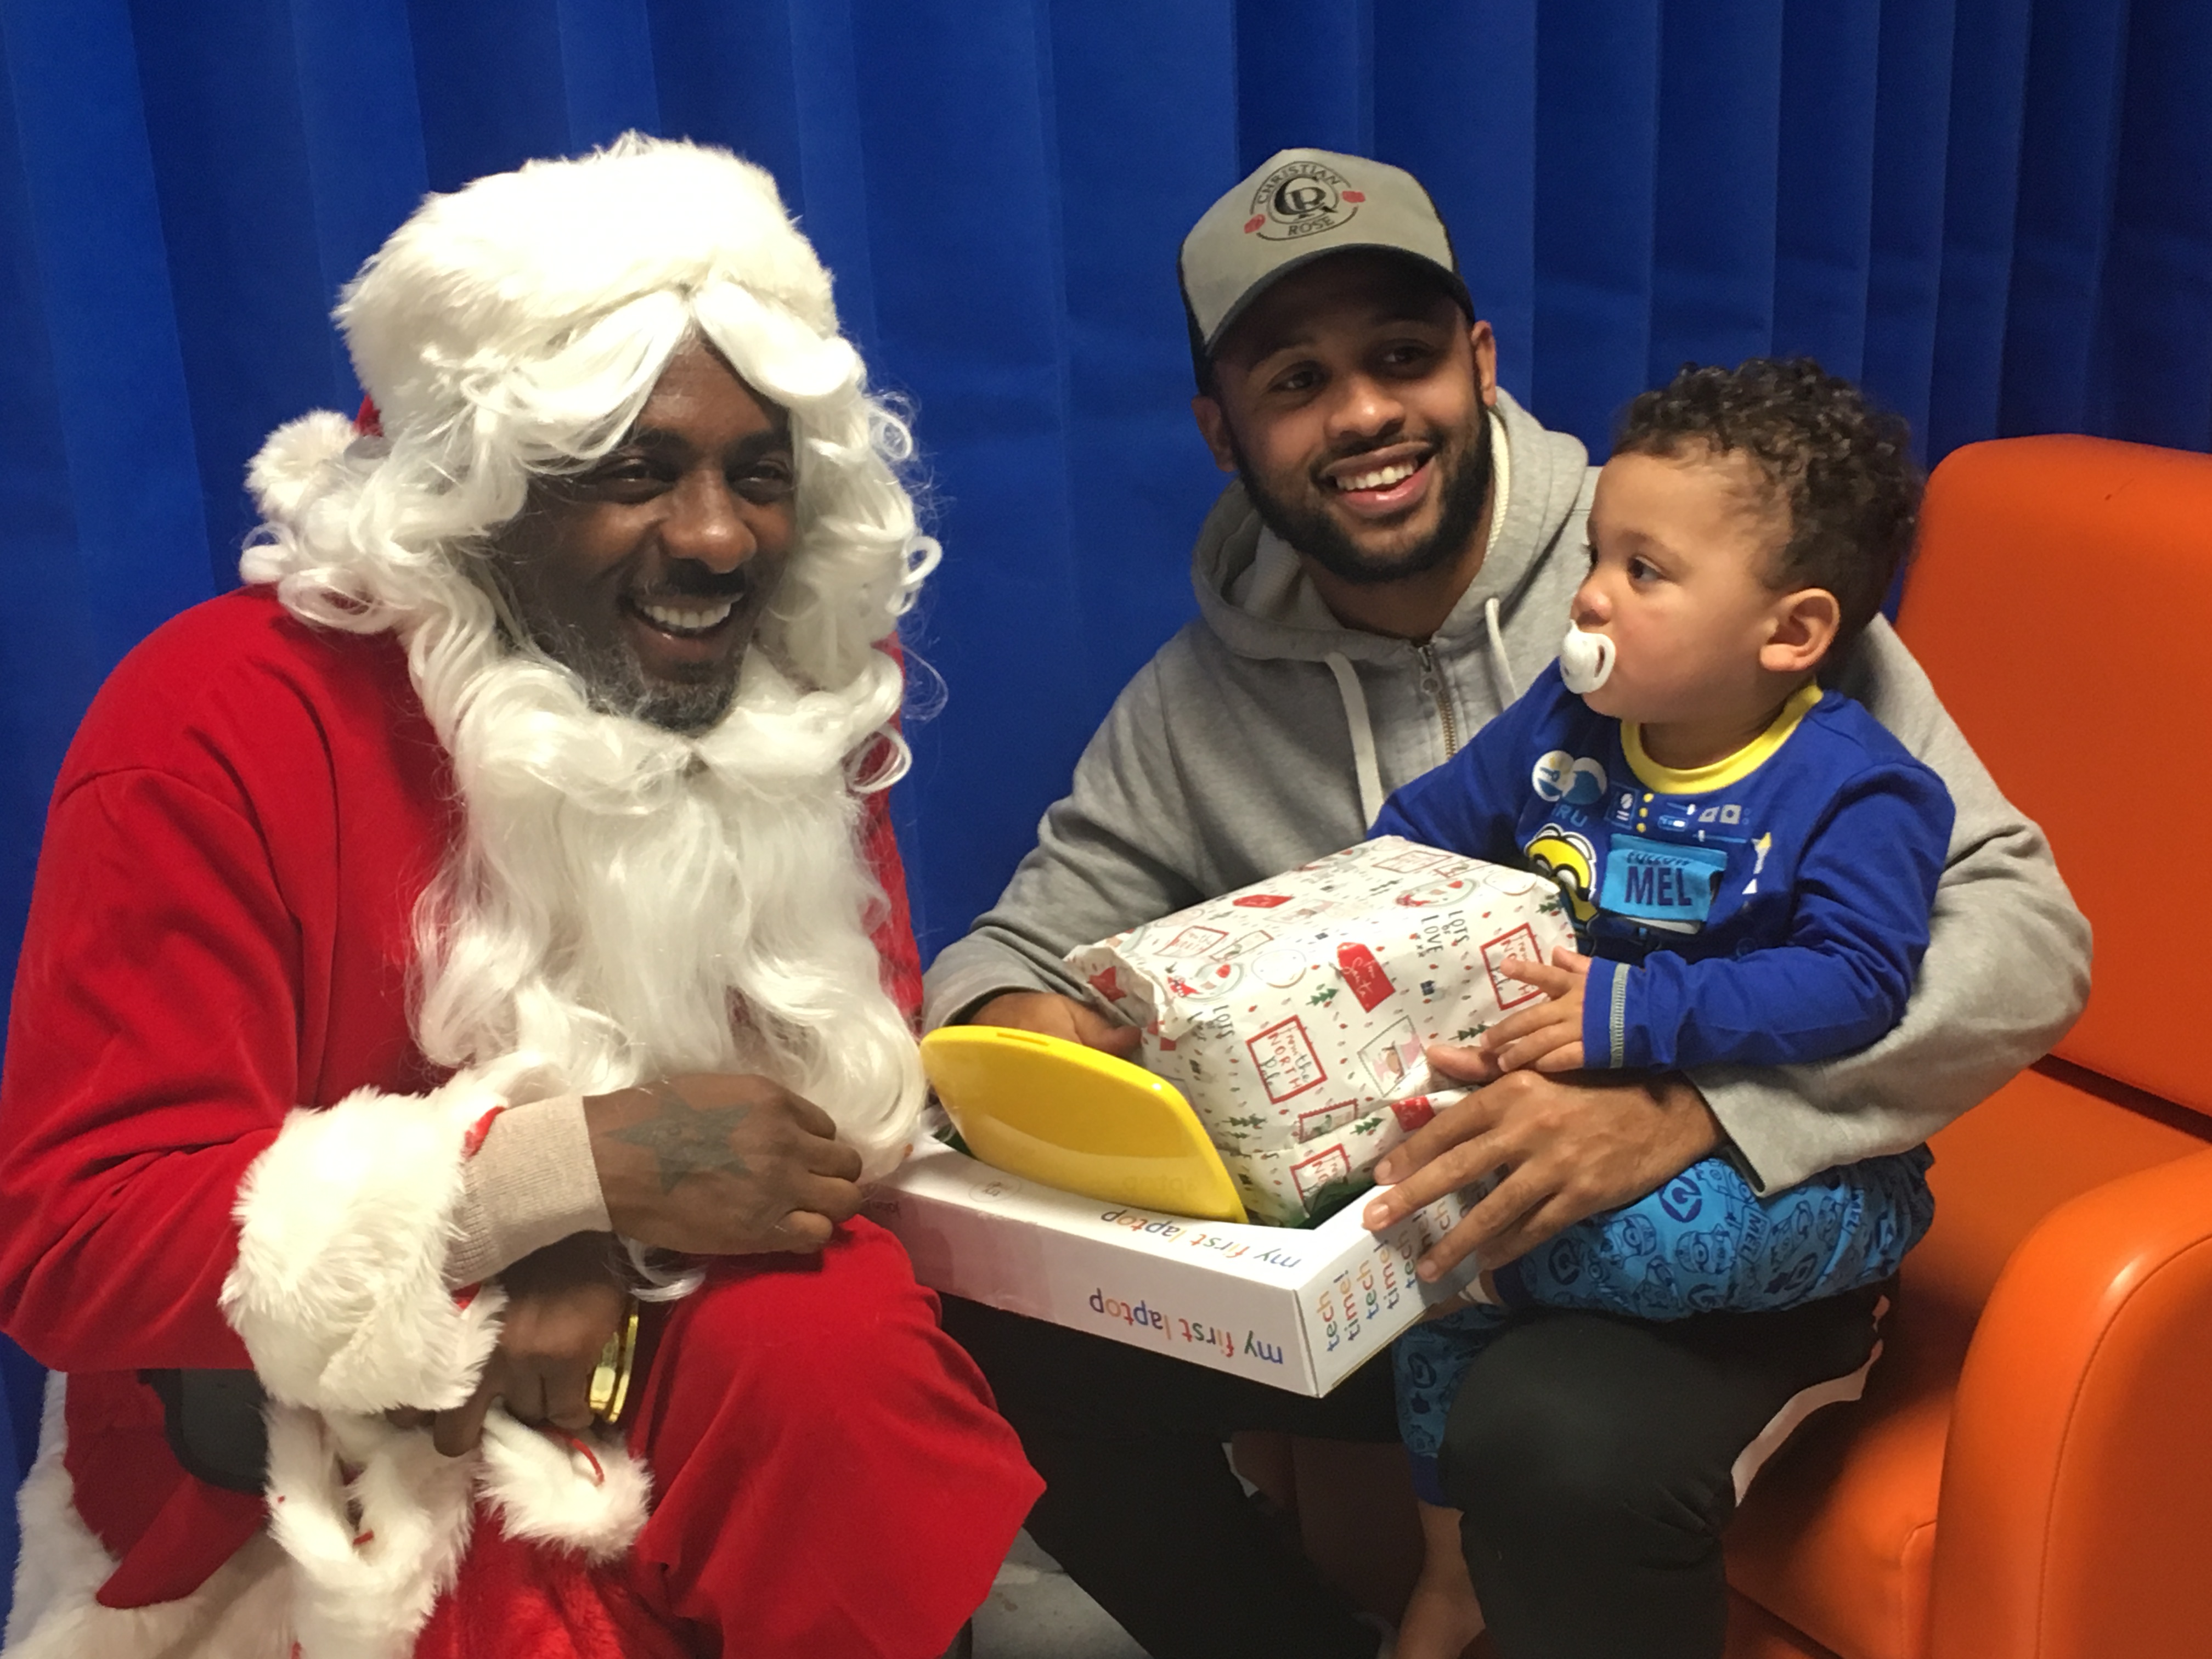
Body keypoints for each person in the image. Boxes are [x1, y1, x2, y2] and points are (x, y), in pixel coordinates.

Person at [923, 148, 2089, 1659]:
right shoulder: (1190, 708)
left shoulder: (1710, 576)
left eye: (1401, 358)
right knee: (987, 1346)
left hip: (1714, 1228)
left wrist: (1697, 1105)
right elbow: (1011, 950)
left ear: (1479, 365)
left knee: (1548, 1438)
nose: (1360, 414)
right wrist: (1063, 1036)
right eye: (1295, 380)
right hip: (1416, 1240)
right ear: (1225, 431)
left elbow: (2024, 935)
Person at [0, 136, 1037, 1659]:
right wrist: (536, 1190)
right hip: (307, 1470)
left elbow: (810, 1121)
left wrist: (599, 1234)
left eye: (759, 477)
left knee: (844, 1364)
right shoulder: (210, 721)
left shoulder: (773, 709)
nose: (715, 537)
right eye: (635, 472)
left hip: (699, 1382)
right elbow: (75, 1240)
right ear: (482, 494)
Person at [1372, 357, 1950, 1658]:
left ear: (1791, 632)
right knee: (1437, 1273)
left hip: (1799, 1178)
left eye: (1646, 569)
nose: (1588, 596)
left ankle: (1799, 1333)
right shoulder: (1563, 726)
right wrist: (1367, 925)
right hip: (1579, 1125)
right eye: (1596, 553)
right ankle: (1451, 1573)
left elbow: (1858, 981)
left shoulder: (1856, 790)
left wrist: (1639, 1012)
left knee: (1482, 1243)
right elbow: (1414, 835)